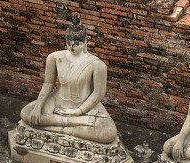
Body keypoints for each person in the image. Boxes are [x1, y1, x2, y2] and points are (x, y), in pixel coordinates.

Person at [19, 14, 118, 144]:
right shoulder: (54, 58)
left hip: (83, 105)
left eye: (76, 44)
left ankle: (55, 128)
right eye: (68, 43)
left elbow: (98, 93)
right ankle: (70, 126)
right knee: (26, 114)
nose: (72, 47)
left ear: (86, 41)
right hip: (58, 101)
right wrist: (38, 107)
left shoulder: (97, 65)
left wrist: (79, 111)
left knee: (108, 133)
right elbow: (48, 83)